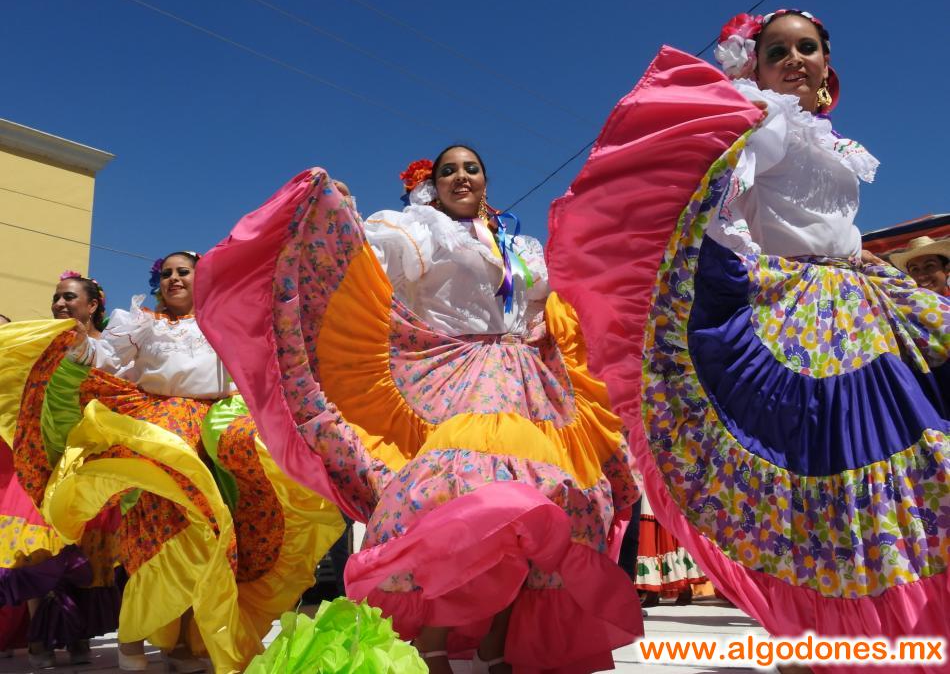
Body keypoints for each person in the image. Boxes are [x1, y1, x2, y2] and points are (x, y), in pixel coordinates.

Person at [546, 9, 949, 667]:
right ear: (753, 69)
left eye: (807, 48)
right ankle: (819, 640)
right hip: (793, 324)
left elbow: (835, 232)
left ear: (826, 73)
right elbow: (717, 210)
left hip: (859, 305)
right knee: (821, 484)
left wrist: (876, 272)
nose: (794, 58)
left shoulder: (833, 141)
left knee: (899, 464)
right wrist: (729, 276)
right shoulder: (759, 128)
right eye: (777, 50)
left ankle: (882, 631)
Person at [195, 151, 643, 673]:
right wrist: (336, 212)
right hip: (452, 374)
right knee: (459, 498)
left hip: (528, 381)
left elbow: (555, 299)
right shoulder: (418, 229)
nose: (460, 177)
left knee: (551, 504)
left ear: (486, 180)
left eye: (471, 168)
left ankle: (498, 643)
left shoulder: (520, 246)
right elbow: (363, 261)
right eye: (447, 170)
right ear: (430, 186)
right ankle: (432, 643)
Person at [0, 254, 343, 672]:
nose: (174, 278)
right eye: (167, 273)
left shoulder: (228, 320)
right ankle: (132, 639)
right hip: (159, 433)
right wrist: (75, 347)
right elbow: (105, 359)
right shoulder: (140, 323)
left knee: (215, 538)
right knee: (159, 536)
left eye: (184, 271)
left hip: (214, 432)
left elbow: (273, 350)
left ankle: (184, 643)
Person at [0, 272, 120, 669]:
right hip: (45, 458)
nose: (60, 304)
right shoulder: (46, 343)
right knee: (42, 548)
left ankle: (75, 633)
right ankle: (40, 638)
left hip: (92, 459)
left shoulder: (113, 349)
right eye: (56, 298)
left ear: (93, 304)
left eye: (69, 297)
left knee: (85, 554)